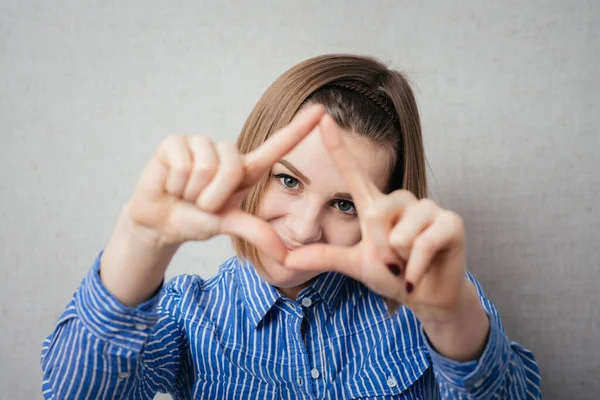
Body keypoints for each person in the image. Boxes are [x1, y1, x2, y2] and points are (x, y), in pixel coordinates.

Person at [41, 54, 542, 399]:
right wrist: (141, 240)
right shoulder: (187, 316)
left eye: (344, 205)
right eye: (288, 179)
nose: (303, 230)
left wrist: (450, 316)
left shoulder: (431, 300)